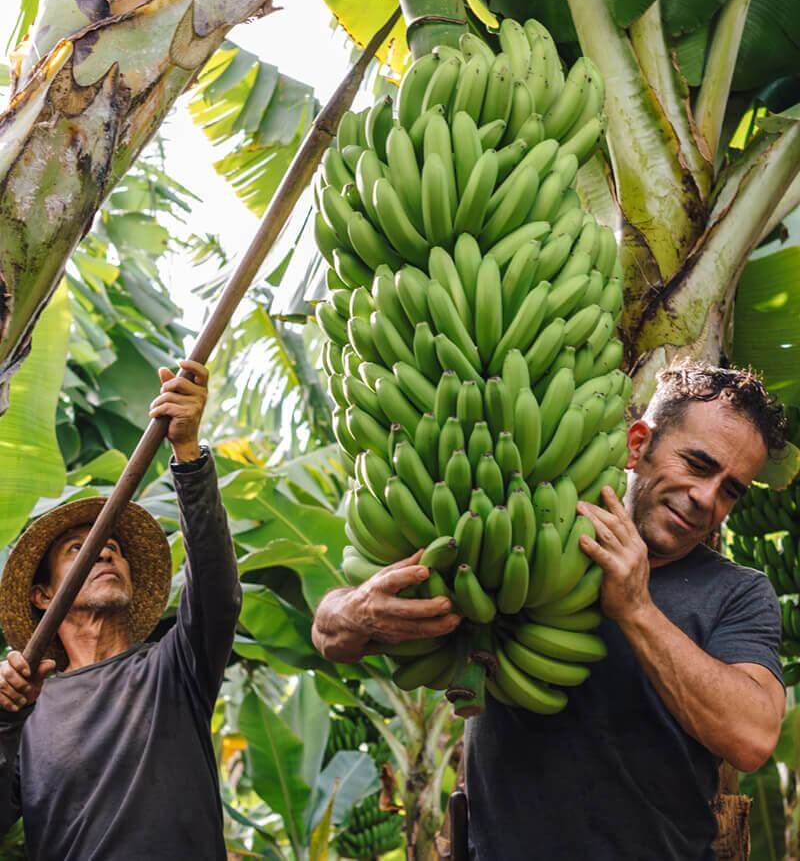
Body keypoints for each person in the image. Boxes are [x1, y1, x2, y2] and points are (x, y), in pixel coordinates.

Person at [312, 362, 787, 859]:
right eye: (698, 464)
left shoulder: (738, 592)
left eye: (731, 489)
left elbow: (751, 739)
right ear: (638, 444)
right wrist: (357, 610)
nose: (706, 499)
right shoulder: (530, 536)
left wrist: (637, 610)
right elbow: (330, 633)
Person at [0, 359, 240, 861]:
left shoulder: (173, 669)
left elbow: (217, 589)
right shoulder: (29, 708)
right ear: (44, 595)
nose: (105, 552)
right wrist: (4, 719)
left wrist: (189, 455)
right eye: (77, 550)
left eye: (112, 546)